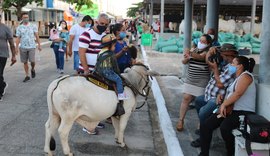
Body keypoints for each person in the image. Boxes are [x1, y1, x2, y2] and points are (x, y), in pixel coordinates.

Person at [199, 56, 256, 156]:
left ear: (240, 66)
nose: (230, 65)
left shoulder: (246, 76)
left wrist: (224, 104)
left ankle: (231, 153)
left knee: (225, 127)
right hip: (231, 110)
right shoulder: (236, 78)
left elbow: (238, 93)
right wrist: (220, 97)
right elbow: (230, 93)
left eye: (233, 63)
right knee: (206, 125)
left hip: (242, 112)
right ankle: (204, 154)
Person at [191, 43, 238, 148]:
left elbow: (220, 84)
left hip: (217, 100)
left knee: (203, 113)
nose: (222, 56)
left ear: (229, 54)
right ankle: (204, 131)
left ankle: (204, 137)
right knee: (198, 101)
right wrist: (209, 52)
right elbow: (210, 62)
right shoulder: (225, 64)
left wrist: (215, 70)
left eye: (224, 55)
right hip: (210, 96)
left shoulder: (232, 68)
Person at [79, 13, 110, 134]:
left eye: (106, 24)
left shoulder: (104, 36)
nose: (103, 26)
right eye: (101, 23)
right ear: (96, 22)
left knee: (96, 99)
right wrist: (86, 70)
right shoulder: (87, 34)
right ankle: (87, 125)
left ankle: (94, 121)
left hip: (99, 72)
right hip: (88, 72)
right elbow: (82, 53)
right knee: (88, 100)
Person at [176, 34, 212, 131]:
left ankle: (200, 123)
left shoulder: (208, 52)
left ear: (208, 44)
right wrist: (187, 57)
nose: (200, 43)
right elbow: (184, 62)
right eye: (200, 41)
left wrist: (190, 53)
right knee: (186, 98)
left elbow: (200, 57)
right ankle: (181, 120)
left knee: (199, 102)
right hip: (190, 79)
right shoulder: (194, 50)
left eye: (203, 42)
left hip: (202, 81)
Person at [95, 34, 128, 100]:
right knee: (118, 80)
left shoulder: (101, 52)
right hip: (107, 71)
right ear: (110, 45)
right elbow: (115, 66)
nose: (115, 47)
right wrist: (118, 73)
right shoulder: (110, 54)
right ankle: (121, 96)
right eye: (114, 45)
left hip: (98, 71)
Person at [15, 12, 41, 82]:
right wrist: (16, 47)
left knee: (32, 61)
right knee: (25, 62)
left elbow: (36, 35)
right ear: (22, 18)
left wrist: (39, 44)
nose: (26, 19)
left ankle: (32, 69)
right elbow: (18, 38)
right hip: (23, 47)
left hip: (32, 46)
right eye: (24, 17)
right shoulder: (19, 27)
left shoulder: (33, 26)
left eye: (27, 17)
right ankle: (27, 75)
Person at [0, 14, 17, 101]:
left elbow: (11, 43)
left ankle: (0, 93)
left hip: (2, 54)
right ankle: (2, 85)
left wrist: (14, 56)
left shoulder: (5, 28)